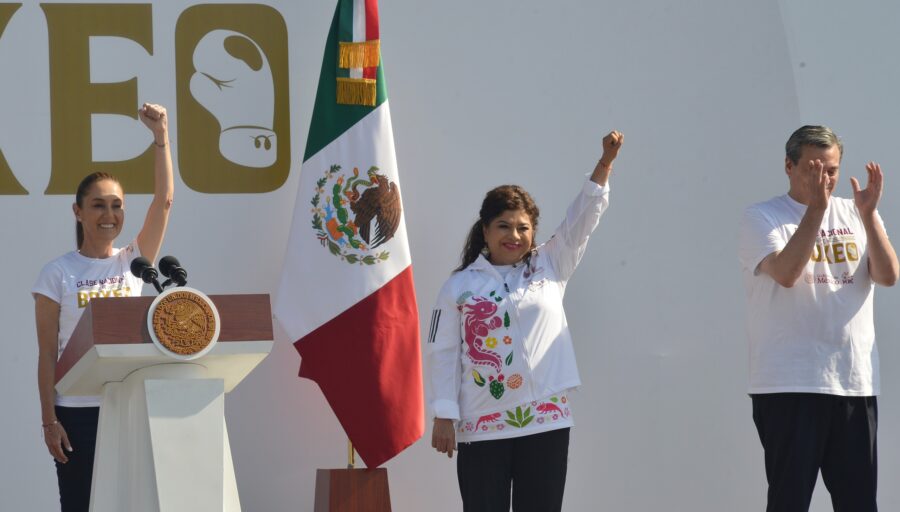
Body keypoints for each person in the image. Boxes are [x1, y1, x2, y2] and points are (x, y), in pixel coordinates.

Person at [426, 130, 623, 511]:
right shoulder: (458, 287)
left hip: (545, 424)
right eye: (503, 226)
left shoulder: (551, 264)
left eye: (523, 227)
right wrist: (444, 413)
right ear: (485, 230)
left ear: (533, 233)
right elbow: (442, 351)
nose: (514, 235)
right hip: (482, 425)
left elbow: (583, 216)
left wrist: (605, 164)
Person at [739, 125, 899, 512]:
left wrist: (870, 214)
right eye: (814, 169)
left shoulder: (855, 212)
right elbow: (788, 273)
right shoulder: (762, 217)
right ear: (789, 166)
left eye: (831, 170)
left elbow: (888, 275)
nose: (824, 179)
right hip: (790, 383)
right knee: (789, 501)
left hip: (853, 381)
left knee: (859, 503)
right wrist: (816, 209)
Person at [33, 103, 174, 511]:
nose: (109, 214)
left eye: (116, 205)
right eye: (97, 205)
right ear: (78, 212)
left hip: (127, 408)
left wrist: (161, 137)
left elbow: (164, 201)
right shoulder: (56, 273)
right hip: (76, 415)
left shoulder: (135, 260)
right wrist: (49, 421)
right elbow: (47, 355)